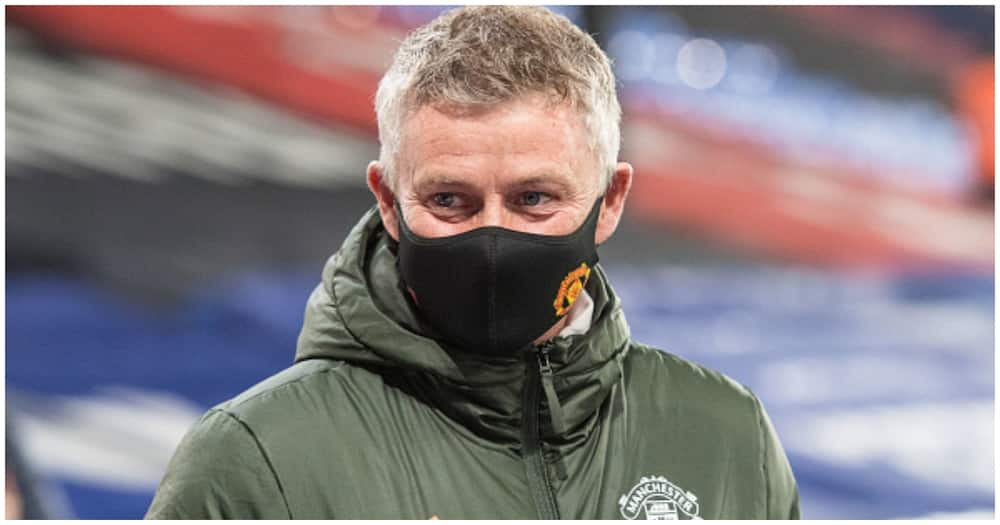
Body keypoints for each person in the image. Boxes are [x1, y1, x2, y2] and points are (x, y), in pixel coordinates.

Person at [146, 6, 799, 520]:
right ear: (388, 201)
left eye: (533, 198)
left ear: (611, 200)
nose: (492, 239)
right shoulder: (256, 462)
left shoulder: (728, 439)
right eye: (450, 199)